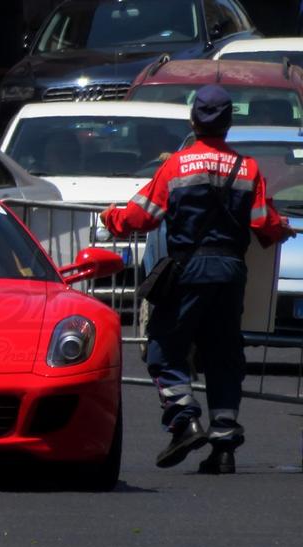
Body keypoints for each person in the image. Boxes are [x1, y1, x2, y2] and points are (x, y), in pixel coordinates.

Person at [100, 85, 295, 474]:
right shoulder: (248, 169)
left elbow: (141, 217)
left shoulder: (176, 166)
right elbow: (263, 223)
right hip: (230, 275)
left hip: (188, 272)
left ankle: (185, 419)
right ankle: (224, 447)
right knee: (224, 357)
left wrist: (111, 218)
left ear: (194, 121)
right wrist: (282, 229)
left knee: (164, 349)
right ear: (228, 123)